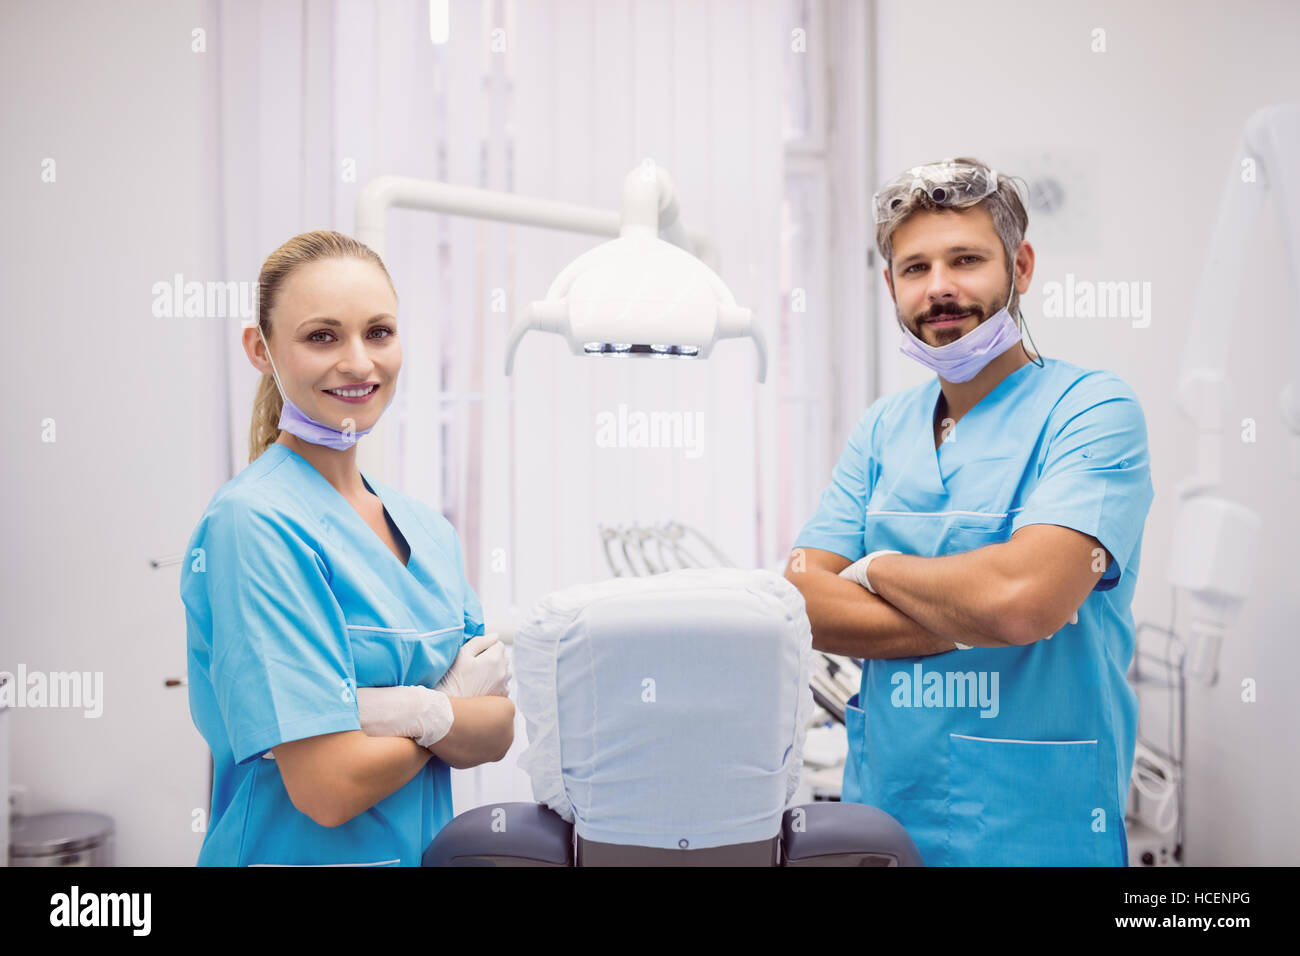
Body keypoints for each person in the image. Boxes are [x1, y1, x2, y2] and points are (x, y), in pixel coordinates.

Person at [785, 158, 1154, 866]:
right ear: (891, 285)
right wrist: (968, 612)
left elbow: (1021, 603)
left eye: (966, 260)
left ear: (1020, 266)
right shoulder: (882, 430)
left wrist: (876, 567)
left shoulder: (1094, 412)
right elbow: (803, 596)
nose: (941, 288)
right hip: (888, 816)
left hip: (1039, 827)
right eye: (916, 267)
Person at [181, 230, 515, 866]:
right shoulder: (254, 524)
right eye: (322, 336)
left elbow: (498, 730)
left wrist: (387, 716)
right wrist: (440, 708)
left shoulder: (429, 531)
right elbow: (328, 787)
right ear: (261, 349)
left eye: (379, 332)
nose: (359, 362)